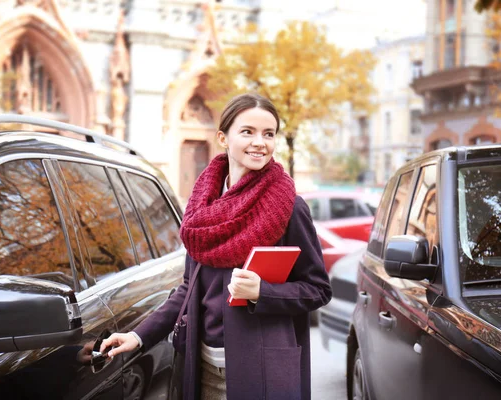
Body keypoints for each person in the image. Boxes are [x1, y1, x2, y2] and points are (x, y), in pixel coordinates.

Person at [100, 93, 332, 400]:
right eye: (247, 131)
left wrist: (263, 293)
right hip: (203, 367)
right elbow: (188, 289)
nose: (259, 142)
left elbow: (318, 289)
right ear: (223, 137)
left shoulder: (289, 207)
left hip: (262, 370)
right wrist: (138, 336)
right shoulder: (201, 209)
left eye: (269, 134)